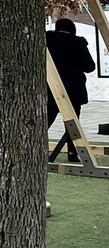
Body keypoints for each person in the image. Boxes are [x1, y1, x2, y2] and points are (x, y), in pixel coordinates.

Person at [46, 17, 95, 162]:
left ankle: (35, 149)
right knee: (72, 123)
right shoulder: (78, 43)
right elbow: (90, 67)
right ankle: (73, 153)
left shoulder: (47, 40)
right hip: (73, 88)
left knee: (46, 120)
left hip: (51, 87)